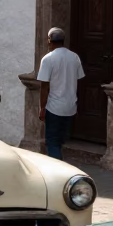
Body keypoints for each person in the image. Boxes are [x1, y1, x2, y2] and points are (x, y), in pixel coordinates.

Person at [37, 27, 85, 160]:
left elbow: (44, 86)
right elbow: (78, 80)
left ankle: (57, 169)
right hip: (70, 107)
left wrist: (42, 108)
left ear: (49, 40)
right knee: (60, 141)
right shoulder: (74, 57)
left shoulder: (48, 59)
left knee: (52, 143)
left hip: (54, 108)